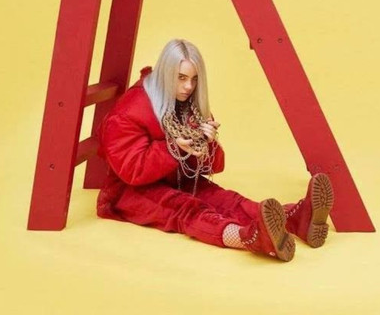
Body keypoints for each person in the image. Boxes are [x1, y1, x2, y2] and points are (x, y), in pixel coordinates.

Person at [96, 38, 334, 261]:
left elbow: (215, 167)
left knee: (228, 200)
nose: (188, 86)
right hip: (129, 193)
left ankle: (295, 219)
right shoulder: (128, 111)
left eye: (194, 79)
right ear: (165, 74)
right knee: (186, 209)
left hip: (177, 178)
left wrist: (206, 144)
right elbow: (132, 171)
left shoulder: (188, 105)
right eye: (181, 78)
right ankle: (249, 238)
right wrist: (173, 147)